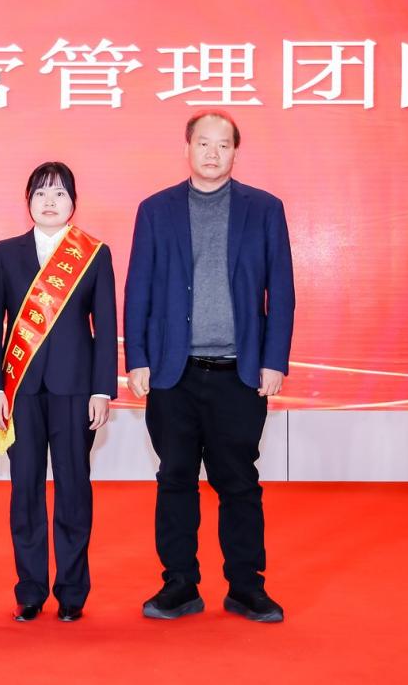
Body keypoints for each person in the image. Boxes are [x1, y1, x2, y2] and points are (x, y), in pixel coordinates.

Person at [124, 110, 295, 623]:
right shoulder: (156, 210)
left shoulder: (264, 209)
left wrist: (274, 360)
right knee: (174, 479)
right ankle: (179, 585)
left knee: (238, 482)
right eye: (204, 143)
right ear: (187, 148)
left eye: (223, 145)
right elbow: (138, 289)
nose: (213, 153)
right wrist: (137, 359)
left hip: (239, 373)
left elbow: (281, 290)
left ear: (235, 152)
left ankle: (246, 587)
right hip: (173, 374)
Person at [0, 162, 117, 622]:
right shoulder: (5, 253)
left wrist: (102, 390)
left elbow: (105, 325)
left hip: (76, 388)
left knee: (74, 488)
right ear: (28, 201)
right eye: (40, 193)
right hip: (19, 389)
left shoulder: (93, 253)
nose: (49, 201)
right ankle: (30, 590)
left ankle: (73, 591)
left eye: (59, 193)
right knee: (25, 489)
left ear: (73, 202)